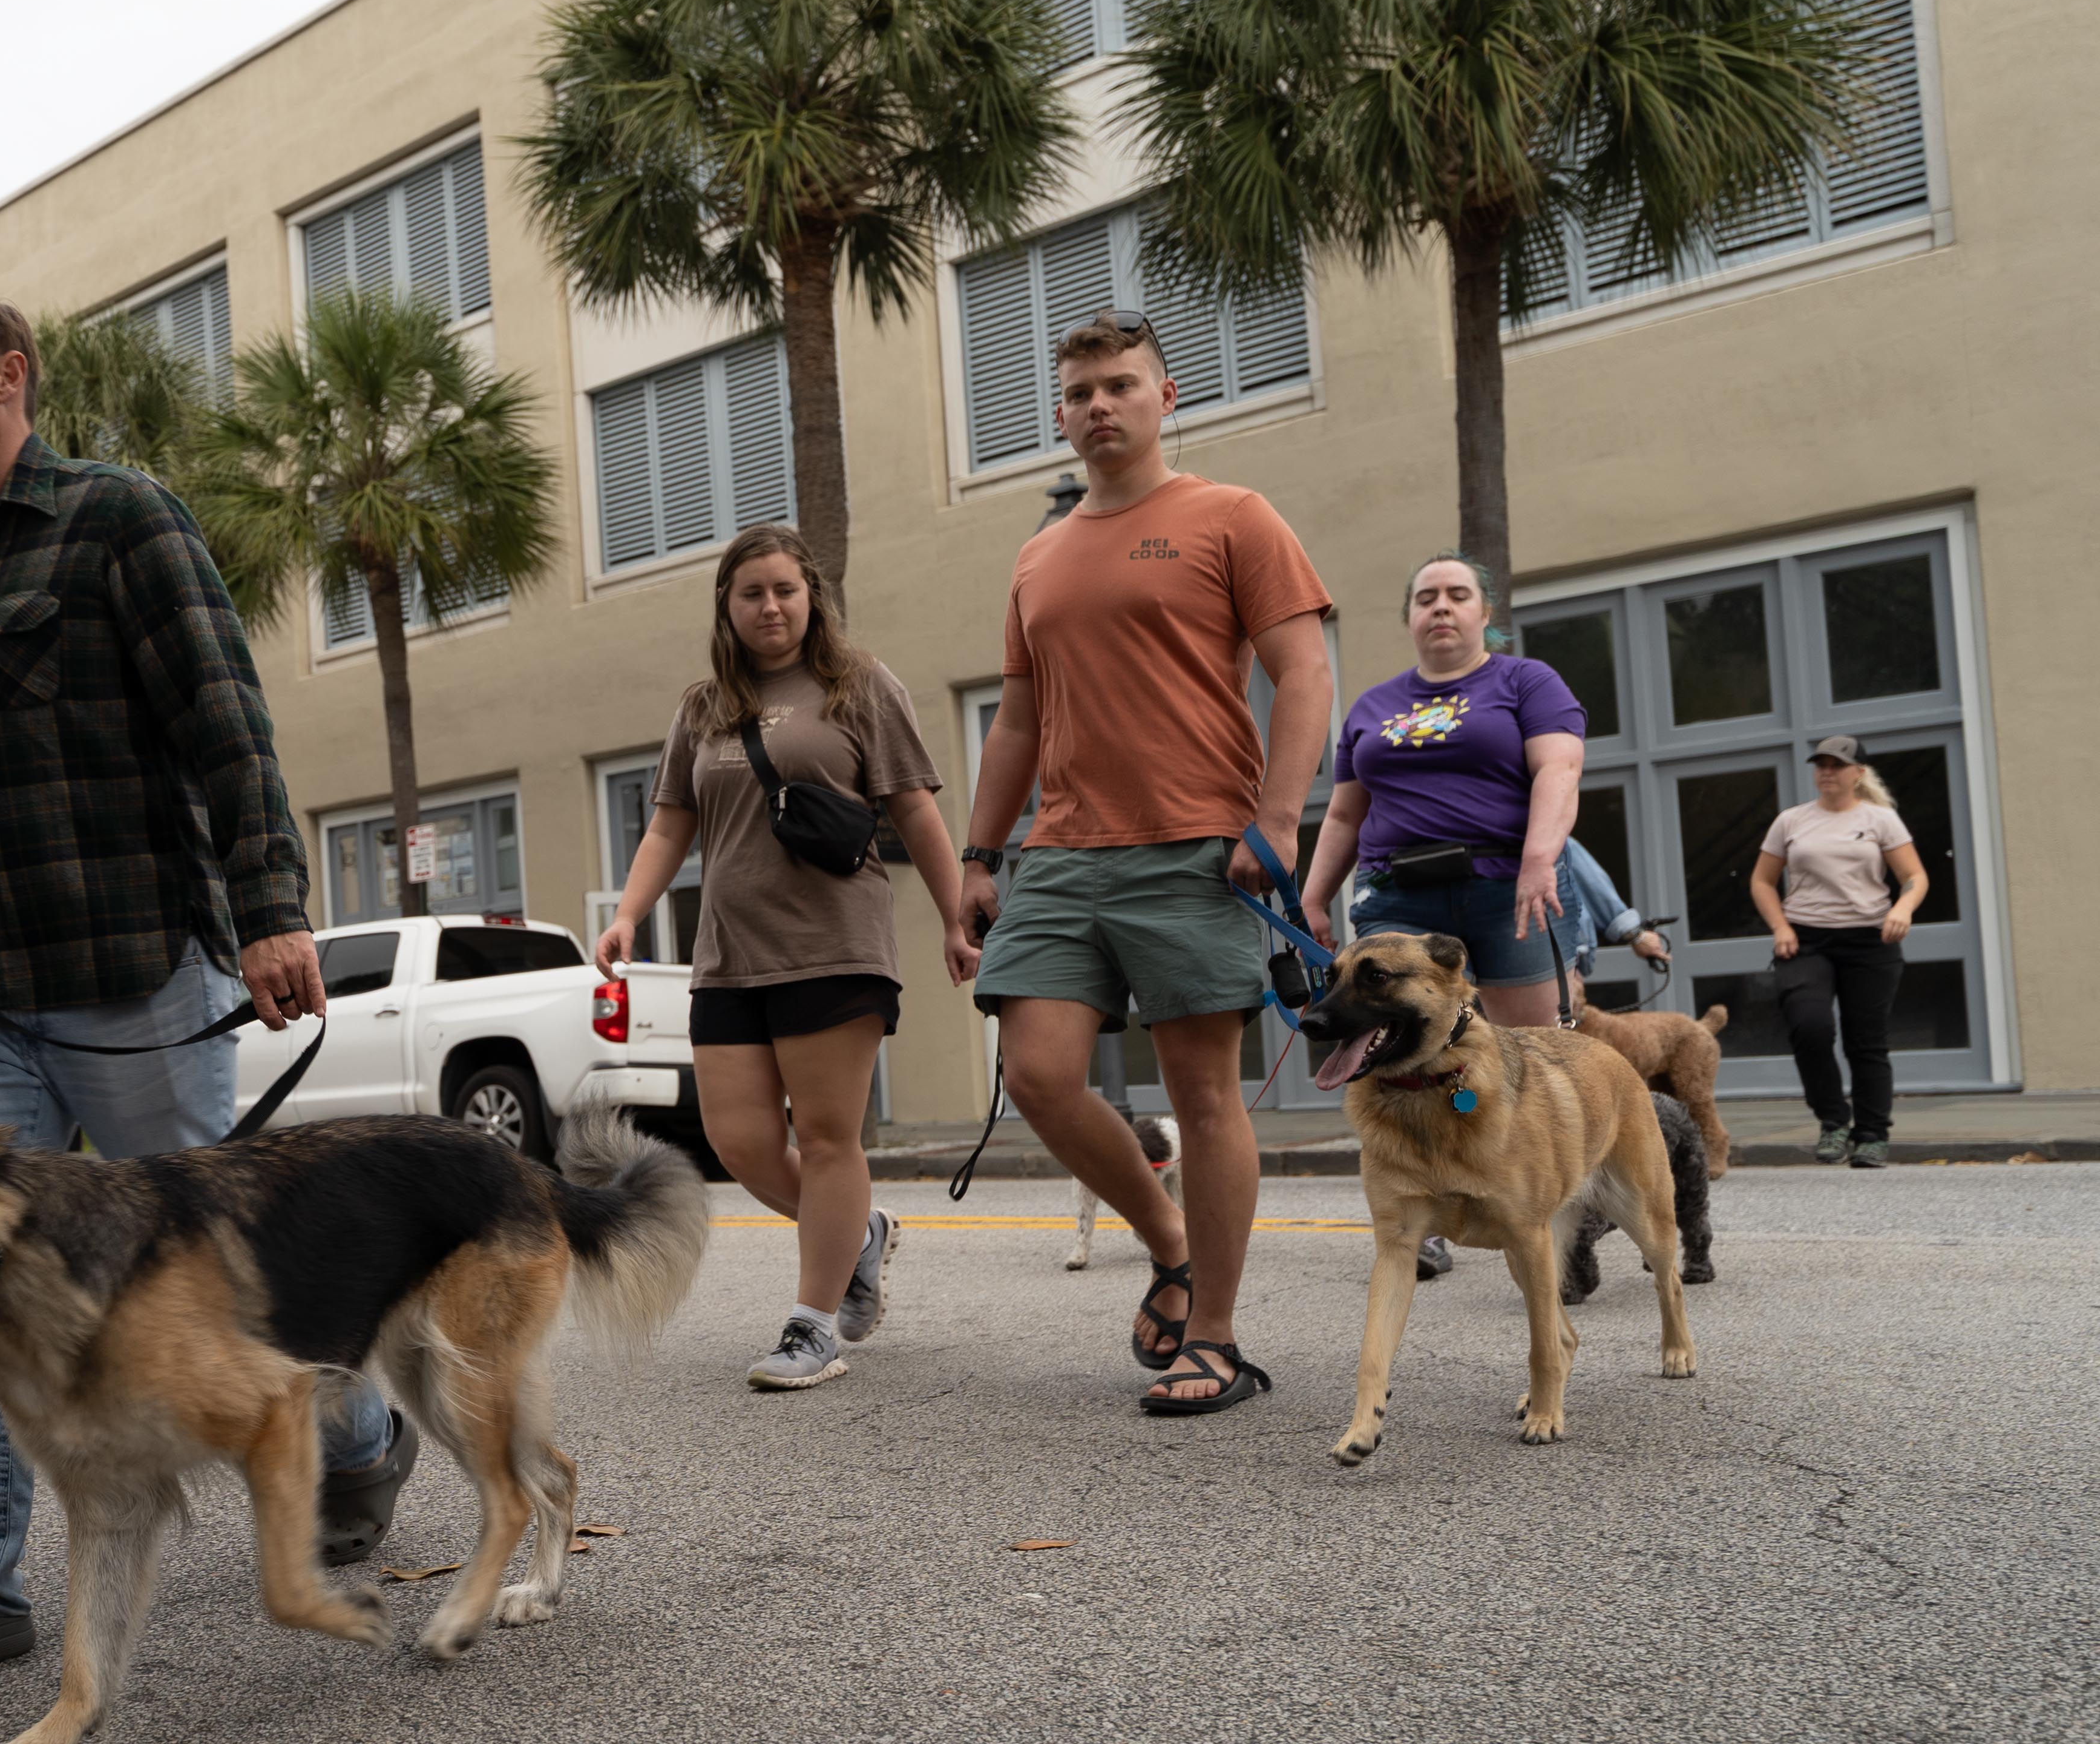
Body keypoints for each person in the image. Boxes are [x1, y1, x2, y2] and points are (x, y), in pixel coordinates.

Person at [0, 288, 409, 1700]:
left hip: (139, 969)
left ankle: (358, 1435)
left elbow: (226, 723)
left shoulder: (118, 518)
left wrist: (269, 908)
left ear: (9, 376)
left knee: (224, 1279)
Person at [954, 309, 1334, 1415]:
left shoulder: (1232, 516)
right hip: (1060, 852)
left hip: (1196, 847)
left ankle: (1213, 1336)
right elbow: (1018, 720)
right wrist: (979, 854)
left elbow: (1304, 673)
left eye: (1120, 385)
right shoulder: (1038, 556)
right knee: (1038, 1075)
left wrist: (1279, 818)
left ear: (1166, 398)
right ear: (1060, 414)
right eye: (1080, 393)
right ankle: (1169, 1240)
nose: (1099, 407)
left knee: (1203, 1094)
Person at [595, 524, 973, 1390]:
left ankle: (814, 1325)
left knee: (829, 1137)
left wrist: (957, 919)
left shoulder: (860, 686)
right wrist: (627, 914)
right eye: (752, 593)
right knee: (740, 1142)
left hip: (833, 945)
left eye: (785, 591)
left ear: (812, 599)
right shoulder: (703, 708)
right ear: (727, 607)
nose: (771, 607)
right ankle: (860, 1234)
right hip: (729, 953)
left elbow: (915, 810)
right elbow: (671, 825)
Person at [1301, 552, 1586, 1277]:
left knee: (1533, 1053)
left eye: (1459, 594)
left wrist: (1540, 859)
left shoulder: (1527, 682)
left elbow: (1559, 770)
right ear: (1409, 616)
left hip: (1506, 883)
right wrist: (1312, 894)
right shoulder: (1373, 706)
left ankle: (1546, 1208)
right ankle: (1416, 1210)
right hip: (1398, 895)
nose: (1441, 607)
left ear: (1485, 612)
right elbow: (1345, 813)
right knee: (1388, 1054)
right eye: (1426, 596)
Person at [1752, 734, 1928, 1167]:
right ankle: (1833, 1121)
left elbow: (1915, 877)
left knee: (1866, 1042)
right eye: (1822, 765)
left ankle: (1872, 1136)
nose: (1827, 772)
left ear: (1859, 773)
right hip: (1806, 940)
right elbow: (1762, 881)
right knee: (1809, 1027)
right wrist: (1780, 927)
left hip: (1870, 942)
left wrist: (1903, 908)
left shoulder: (1880, 820)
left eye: (1838, 765)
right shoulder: (1791, 821)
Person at [1553, 837, 1672, 1013]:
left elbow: (1589, 878)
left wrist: (1635, 934)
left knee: (1563, 1023)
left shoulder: (1548, 835)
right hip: (1548, 955)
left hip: (1562, 958)